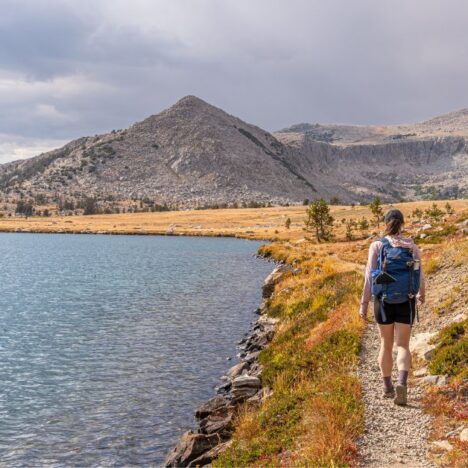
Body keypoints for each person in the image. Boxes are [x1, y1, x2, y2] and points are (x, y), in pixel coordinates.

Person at [359, 209, 425, 405]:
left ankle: (387, 388)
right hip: (407, 300)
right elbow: (420, 273)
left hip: (383, 301)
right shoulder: (411, 246)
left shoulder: (377, 245)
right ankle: (402, 384)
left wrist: (363, 304)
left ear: (385, 223)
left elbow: (369, 277)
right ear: (402, 224)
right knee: (403, 345)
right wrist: (422, 293)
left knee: (385, 344)